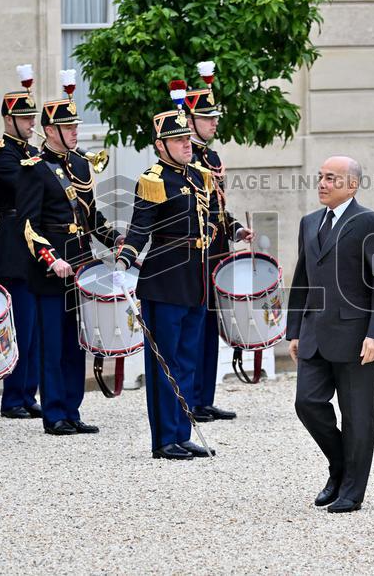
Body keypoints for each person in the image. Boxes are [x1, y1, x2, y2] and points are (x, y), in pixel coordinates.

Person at [113, 86, 219, 460]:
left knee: (188, 359)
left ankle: (183, 431)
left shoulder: (198, 176)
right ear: (161, 145)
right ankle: (164, 439)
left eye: (187, 138)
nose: (186, 144)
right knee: (165, 361)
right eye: (177, 140)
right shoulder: (154, 179)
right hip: (164, 278)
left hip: (194, 277)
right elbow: (140, 227)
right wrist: (125, 262)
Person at [286, 155, 374, 513]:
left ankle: (352, 490)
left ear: (352, 184)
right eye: (320, 177)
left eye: (331, 178)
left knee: (358, 415)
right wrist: (295, 330)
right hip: (314, 334)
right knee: (307, 403)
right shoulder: (309, 222)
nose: (322, 184)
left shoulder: (369, 222)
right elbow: (302, 280)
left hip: (356, 336)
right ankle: (339, 467)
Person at [18, 92, 121, 436]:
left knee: (77, 341)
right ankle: (54, 413)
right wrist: (51, 258)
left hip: (81, 266)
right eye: (67, 126)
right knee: (52, 343)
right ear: (49, 130)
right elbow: (29, 225)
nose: (75, 131)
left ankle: (73, 409)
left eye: (75, 125)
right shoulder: (33, 169)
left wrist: (114, 240)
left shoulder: (79, 164)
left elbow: (91, 216)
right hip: (51, 270)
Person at [183, 61, 253, 422]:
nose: (214, 123)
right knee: (195, 328)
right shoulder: (184, 157)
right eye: (207, 119)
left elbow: (218, 208)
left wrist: (236, 229)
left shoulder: (211, 157)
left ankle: (204, 396)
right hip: (196, 255)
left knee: (212, 326)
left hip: (217, 252)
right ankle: (191, 399)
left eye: (214, 118)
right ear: (190, 120)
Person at [0, 76, 42, 420]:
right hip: (14, 241)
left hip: (35, 241)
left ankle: (28, 393)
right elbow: (24, 187)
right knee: (18, 326)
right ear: (8, 120)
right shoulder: (0, 155)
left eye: (33, 119)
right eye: (25, 119)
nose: (31, 125)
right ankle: (11, 398)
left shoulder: (31, 153)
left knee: (34, 327)